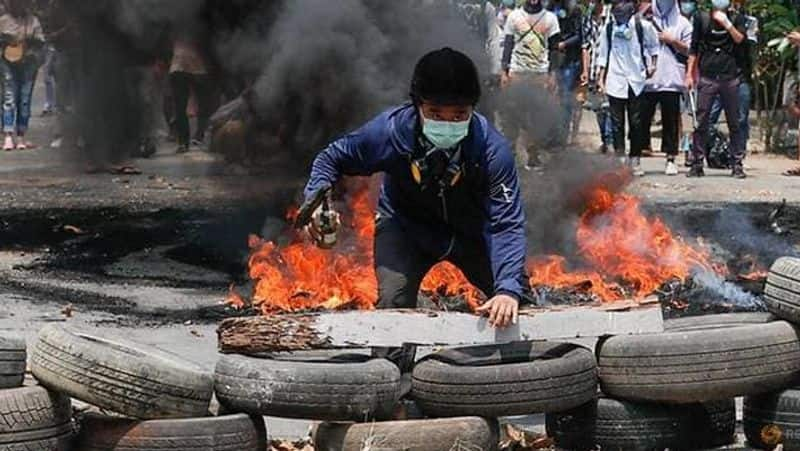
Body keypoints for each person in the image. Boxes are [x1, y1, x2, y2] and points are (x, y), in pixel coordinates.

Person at [298, 48, 530, 329]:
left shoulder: (492, 151)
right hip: (405, 229)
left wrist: (506, 289)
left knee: (518, 303)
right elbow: (330, 158)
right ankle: (395, 368)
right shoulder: (387, 132)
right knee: (391, 313)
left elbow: (506, 224)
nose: (447, 124)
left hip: (472, 234)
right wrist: (318, 199)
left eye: (459, 115)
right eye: (435, 113)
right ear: (417, 106)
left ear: (473, 109)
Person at [685, 0, 747, 178]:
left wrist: (727, 24)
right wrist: (689, 74)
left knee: (735, 123)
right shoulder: (701, 18)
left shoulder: (737, 18)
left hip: (730, 77)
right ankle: (697, 162)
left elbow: (740, 39)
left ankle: (737, 163)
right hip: (707, 76)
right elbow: (694, 47)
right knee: (701, 121)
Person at [596, 0, 659, 176]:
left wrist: (653, 64)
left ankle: (635, 159)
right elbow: (603, 55)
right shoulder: (608, 29)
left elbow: (654, 46)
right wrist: (601, 78)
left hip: (635, 80)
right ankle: (619, 159)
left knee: (636, 122)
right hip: (615, 80)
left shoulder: (642, 27)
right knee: (617, 123)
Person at [501, 0, 561, 168]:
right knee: (512, 115)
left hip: (539, 75)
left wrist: (553, 74)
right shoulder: (514, 17)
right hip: (517, 73)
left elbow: (554, 49)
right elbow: (508, 44)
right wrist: (504, 71)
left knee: (536, 117)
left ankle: (533, 155)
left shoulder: (551, 18)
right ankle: (510, 155)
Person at [641, 0, 691, 176]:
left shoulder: (682, 23)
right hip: (647, 80)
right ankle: (636, 157)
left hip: (672, 79)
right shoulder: (644, 21)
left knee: (670, 122)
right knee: (641, 120)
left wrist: (673, 41)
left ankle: (670, 158)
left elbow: (690, 50)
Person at [707, 0, 756, 161]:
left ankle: (738, 155)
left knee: (740, 119)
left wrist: (728, 23)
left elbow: (741, 40)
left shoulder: (747, 21)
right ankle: (704, 153)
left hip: (740, 76)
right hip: (716, 76)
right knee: (707, 117)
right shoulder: (708, 19)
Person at [0, 0, 45, 151]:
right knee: (9, 97)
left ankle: (20, 136)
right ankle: (7, 135)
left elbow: (40, 42)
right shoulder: (4, 20)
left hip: (28, 64)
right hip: (7, 63)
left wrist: (30, 47)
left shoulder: (33, 21)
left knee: (24, 100)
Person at [169, 24, 214, 154]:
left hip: (188, 66)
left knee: (186, 106)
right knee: (183, 107)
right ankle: (189, 140)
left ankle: (192, 139)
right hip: (189, 66)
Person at [581, 0, 613, 154]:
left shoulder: (612, 16)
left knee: (609, 106)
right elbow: (585, 46)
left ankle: (610, 140)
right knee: (598, 108)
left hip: (610, 69)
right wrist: (585, 71)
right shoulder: (587, 19)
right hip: (594, 68)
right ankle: (604, 140)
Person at [552, 0, 583, 144]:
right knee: (551, 97)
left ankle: (563, 136)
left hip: (569, 60)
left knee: (565, 98)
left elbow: (579, 35)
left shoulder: (574, 9)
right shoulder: (548, 7)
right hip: (552, 59)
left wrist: (564, 43)